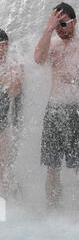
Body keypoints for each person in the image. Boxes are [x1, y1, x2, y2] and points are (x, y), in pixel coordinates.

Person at [34, 3, 79, 211]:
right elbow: (38, 59)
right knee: (52, 168)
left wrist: (74, 78)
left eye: (63, 24)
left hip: (77, 110)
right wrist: (47, 29)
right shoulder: (52, 44)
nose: (60, 29)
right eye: (56, 25)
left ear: (74, 22)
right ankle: (52, 212)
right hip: (53, 109)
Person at [0, 29, 23, 199]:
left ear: (5, 45)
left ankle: (10, 200)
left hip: (7, 122)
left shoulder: (14, 63)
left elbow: (16, 89)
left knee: (4, 163)